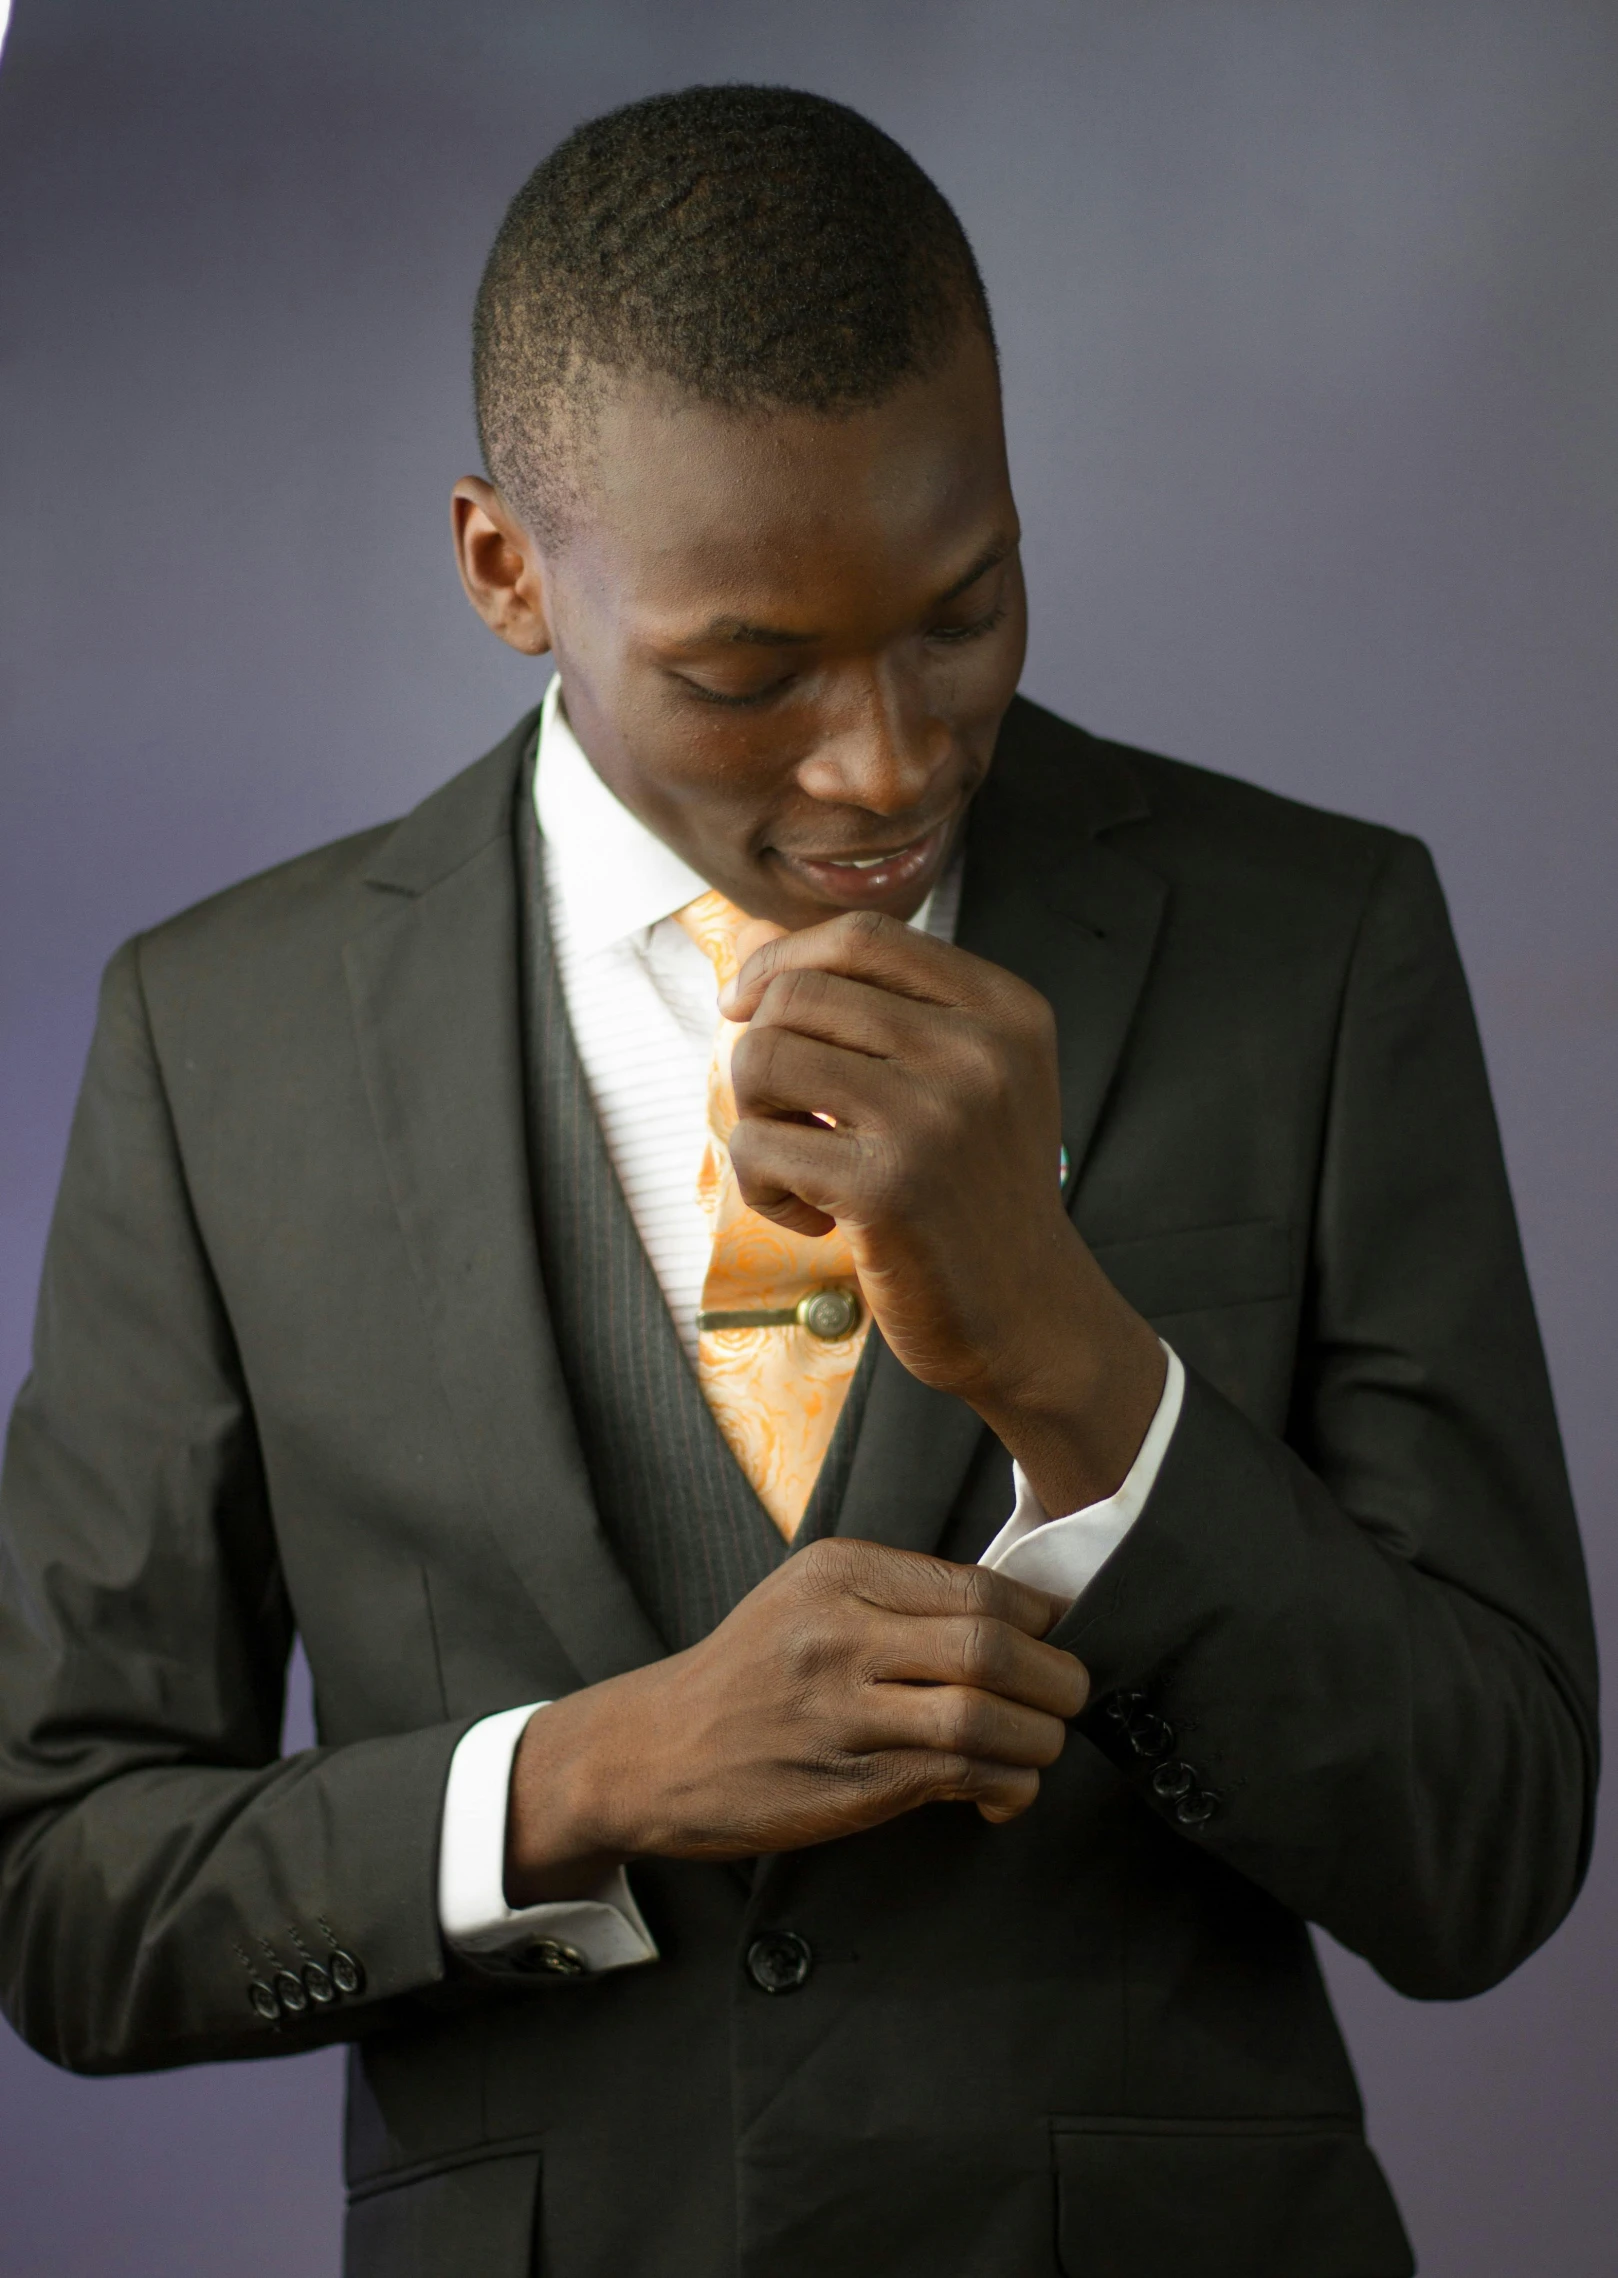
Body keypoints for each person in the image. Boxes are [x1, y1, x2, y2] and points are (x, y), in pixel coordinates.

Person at [0, 83, 1597, 2278]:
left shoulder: (1309, 943)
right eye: (747, 673)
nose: (886, 757)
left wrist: (1073, 1368)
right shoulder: (220, 1038)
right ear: (501, 566)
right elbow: (61, 1886)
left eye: (963, 609)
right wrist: (576, 1776)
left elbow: (1489, 1848)